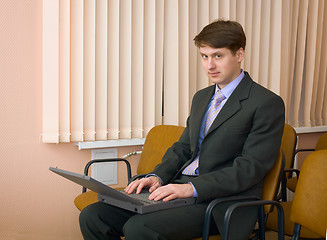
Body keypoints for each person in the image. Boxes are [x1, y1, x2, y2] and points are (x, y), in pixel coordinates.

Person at [79, 19, 285, 240]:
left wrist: (192, 188)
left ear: (239, 54)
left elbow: (249, 168)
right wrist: (157, 177)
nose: (209, 65)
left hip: (219, 201)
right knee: (94, 215)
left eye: (218, 56)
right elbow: (183, 148)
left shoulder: (266, 103)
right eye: (204, 56)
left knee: (139, 228)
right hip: (178, 188)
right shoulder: (202, 98)